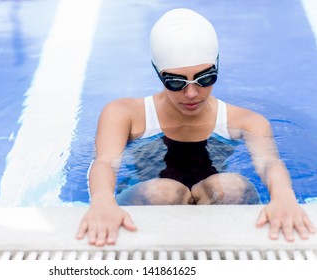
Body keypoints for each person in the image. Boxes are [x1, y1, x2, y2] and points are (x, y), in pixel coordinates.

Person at [76, 8, 315, 246]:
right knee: (165, 192)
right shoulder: (125, 114)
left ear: (218, 66)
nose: (191, 93)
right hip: (148, 196)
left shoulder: (246, 121)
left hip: (215, 198)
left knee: (232, 188)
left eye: (205, 78)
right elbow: (106, 162)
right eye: (176, 82)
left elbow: (268, 163)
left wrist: (284, 196)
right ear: (158, 74)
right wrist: (102, 201)